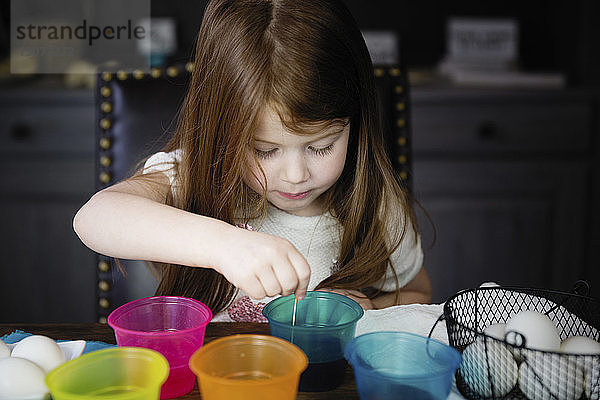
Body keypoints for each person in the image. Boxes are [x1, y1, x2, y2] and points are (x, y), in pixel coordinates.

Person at [73, 0, 432, 322]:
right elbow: (94, 217)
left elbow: (419, 294)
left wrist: (367, 307)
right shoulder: (195, 177)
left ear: (355, 124)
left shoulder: (375, 204)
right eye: (264, 150)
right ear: (221, 130)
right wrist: (223, 245)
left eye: (321, 147)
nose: (295, 175)